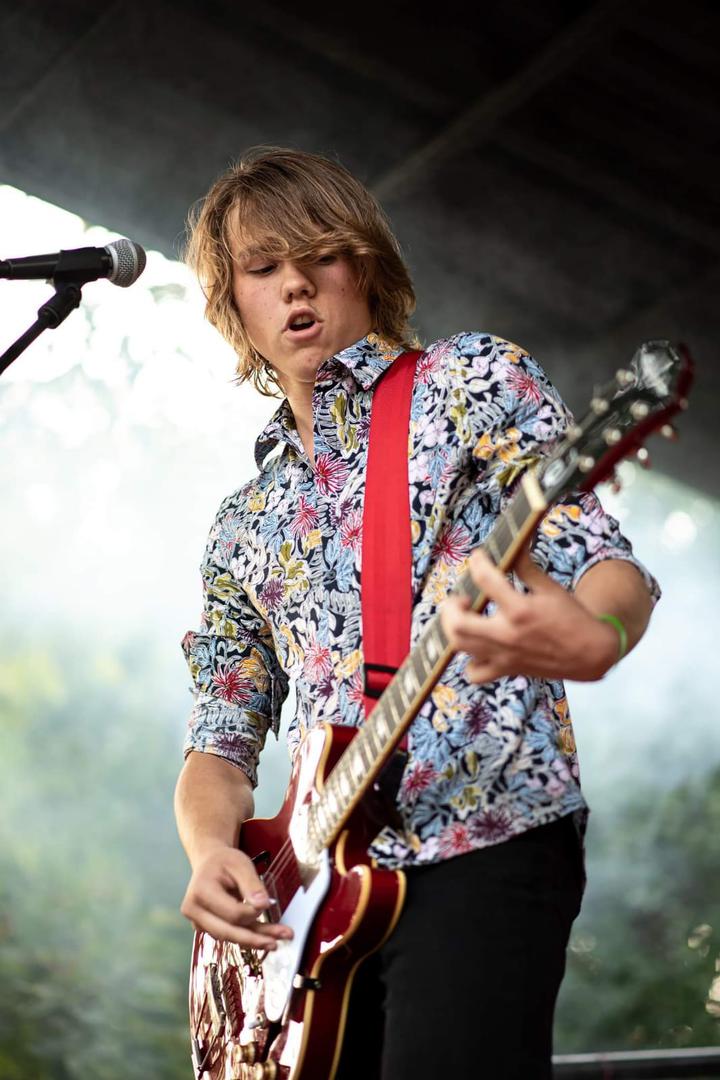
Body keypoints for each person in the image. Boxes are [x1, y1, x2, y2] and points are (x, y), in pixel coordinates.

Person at [174, 146, 657, 1079]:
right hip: (308, 906)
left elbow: (601, 558)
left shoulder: (467, 383)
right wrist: (207, 852)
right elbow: (219, 741)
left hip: (479, 834)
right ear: (233, 305)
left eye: (320, 254)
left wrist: (597, 636)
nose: (295, 285)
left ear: (364, 265)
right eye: (263, 268)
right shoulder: (241, 524)